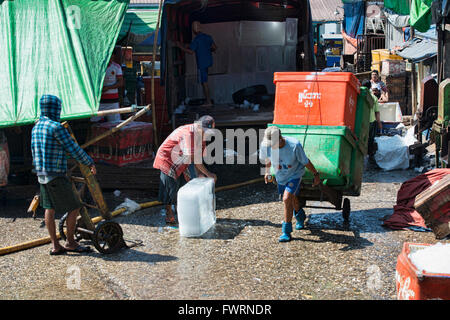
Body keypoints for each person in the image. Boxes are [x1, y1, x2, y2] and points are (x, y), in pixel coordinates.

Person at [31, 95, 97, 255]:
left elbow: (40, 149)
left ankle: (55, 245)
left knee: (49, 208)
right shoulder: (56, 127)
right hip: (56, 175)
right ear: (55, 108)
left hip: (42, 174)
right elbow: (73, 148)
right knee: (75, 206)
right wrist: (89, 162)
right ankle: (70, 242)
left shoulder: (37, 126)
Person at [259, 126, 320, 242]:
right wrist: (266, 173)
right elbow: (267, 160)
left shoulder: (294, 145)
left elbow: (305, 161)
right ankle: (300, 215)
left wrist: (316, 175)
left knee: (286, 199)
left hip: (295, 175)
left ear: (280, 138)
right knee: (293, 200)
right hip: (281, 177)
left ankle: (286, 232)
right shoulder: (265, 145)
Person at [153, 115, 217, 225]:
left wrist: (201, 174)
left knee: (183, 186)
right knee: (170, 189)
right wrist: (208, 174)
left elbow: (199, 157)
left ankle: (182, 213)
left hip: (182, 160)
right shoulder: (188, 133)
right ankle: (169, 214)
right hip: (168, 159)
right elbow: (194, 159)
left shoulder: (201, 136)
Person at [176, 21, 217, 108]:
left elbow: (191, 51)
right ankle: (207, 100)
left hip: (202, 63)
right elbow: (214, 47)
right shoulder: (207, 37)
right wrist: (207, 50)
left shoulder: (197, 39)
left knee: (204, 82)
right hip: (208, 62)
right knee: (204, 81)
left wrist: (180, 47)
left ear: (193, 31)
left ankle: (208, 101)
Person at [91, 48, 124, 122]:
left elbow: (121, 83)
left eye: (111, 55)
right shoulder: (97, 67)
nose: (110, 56)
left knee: (115, 124)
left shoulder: (116, 67)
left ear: (113, 56)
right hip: (99, 102)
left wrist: (108, 87)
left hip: (113, 102)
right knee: (94, 122)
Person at [361, 80, 383, 161]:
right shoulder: (373, 98)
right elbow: (376, 112)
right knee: (370, 139)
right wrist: (379, 122)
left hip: (361, 122)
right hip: (371, 122)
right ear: (370, 87)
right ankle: (370, 156)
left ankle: (361, 155)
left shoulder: (359, 96)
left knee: (362, 139)